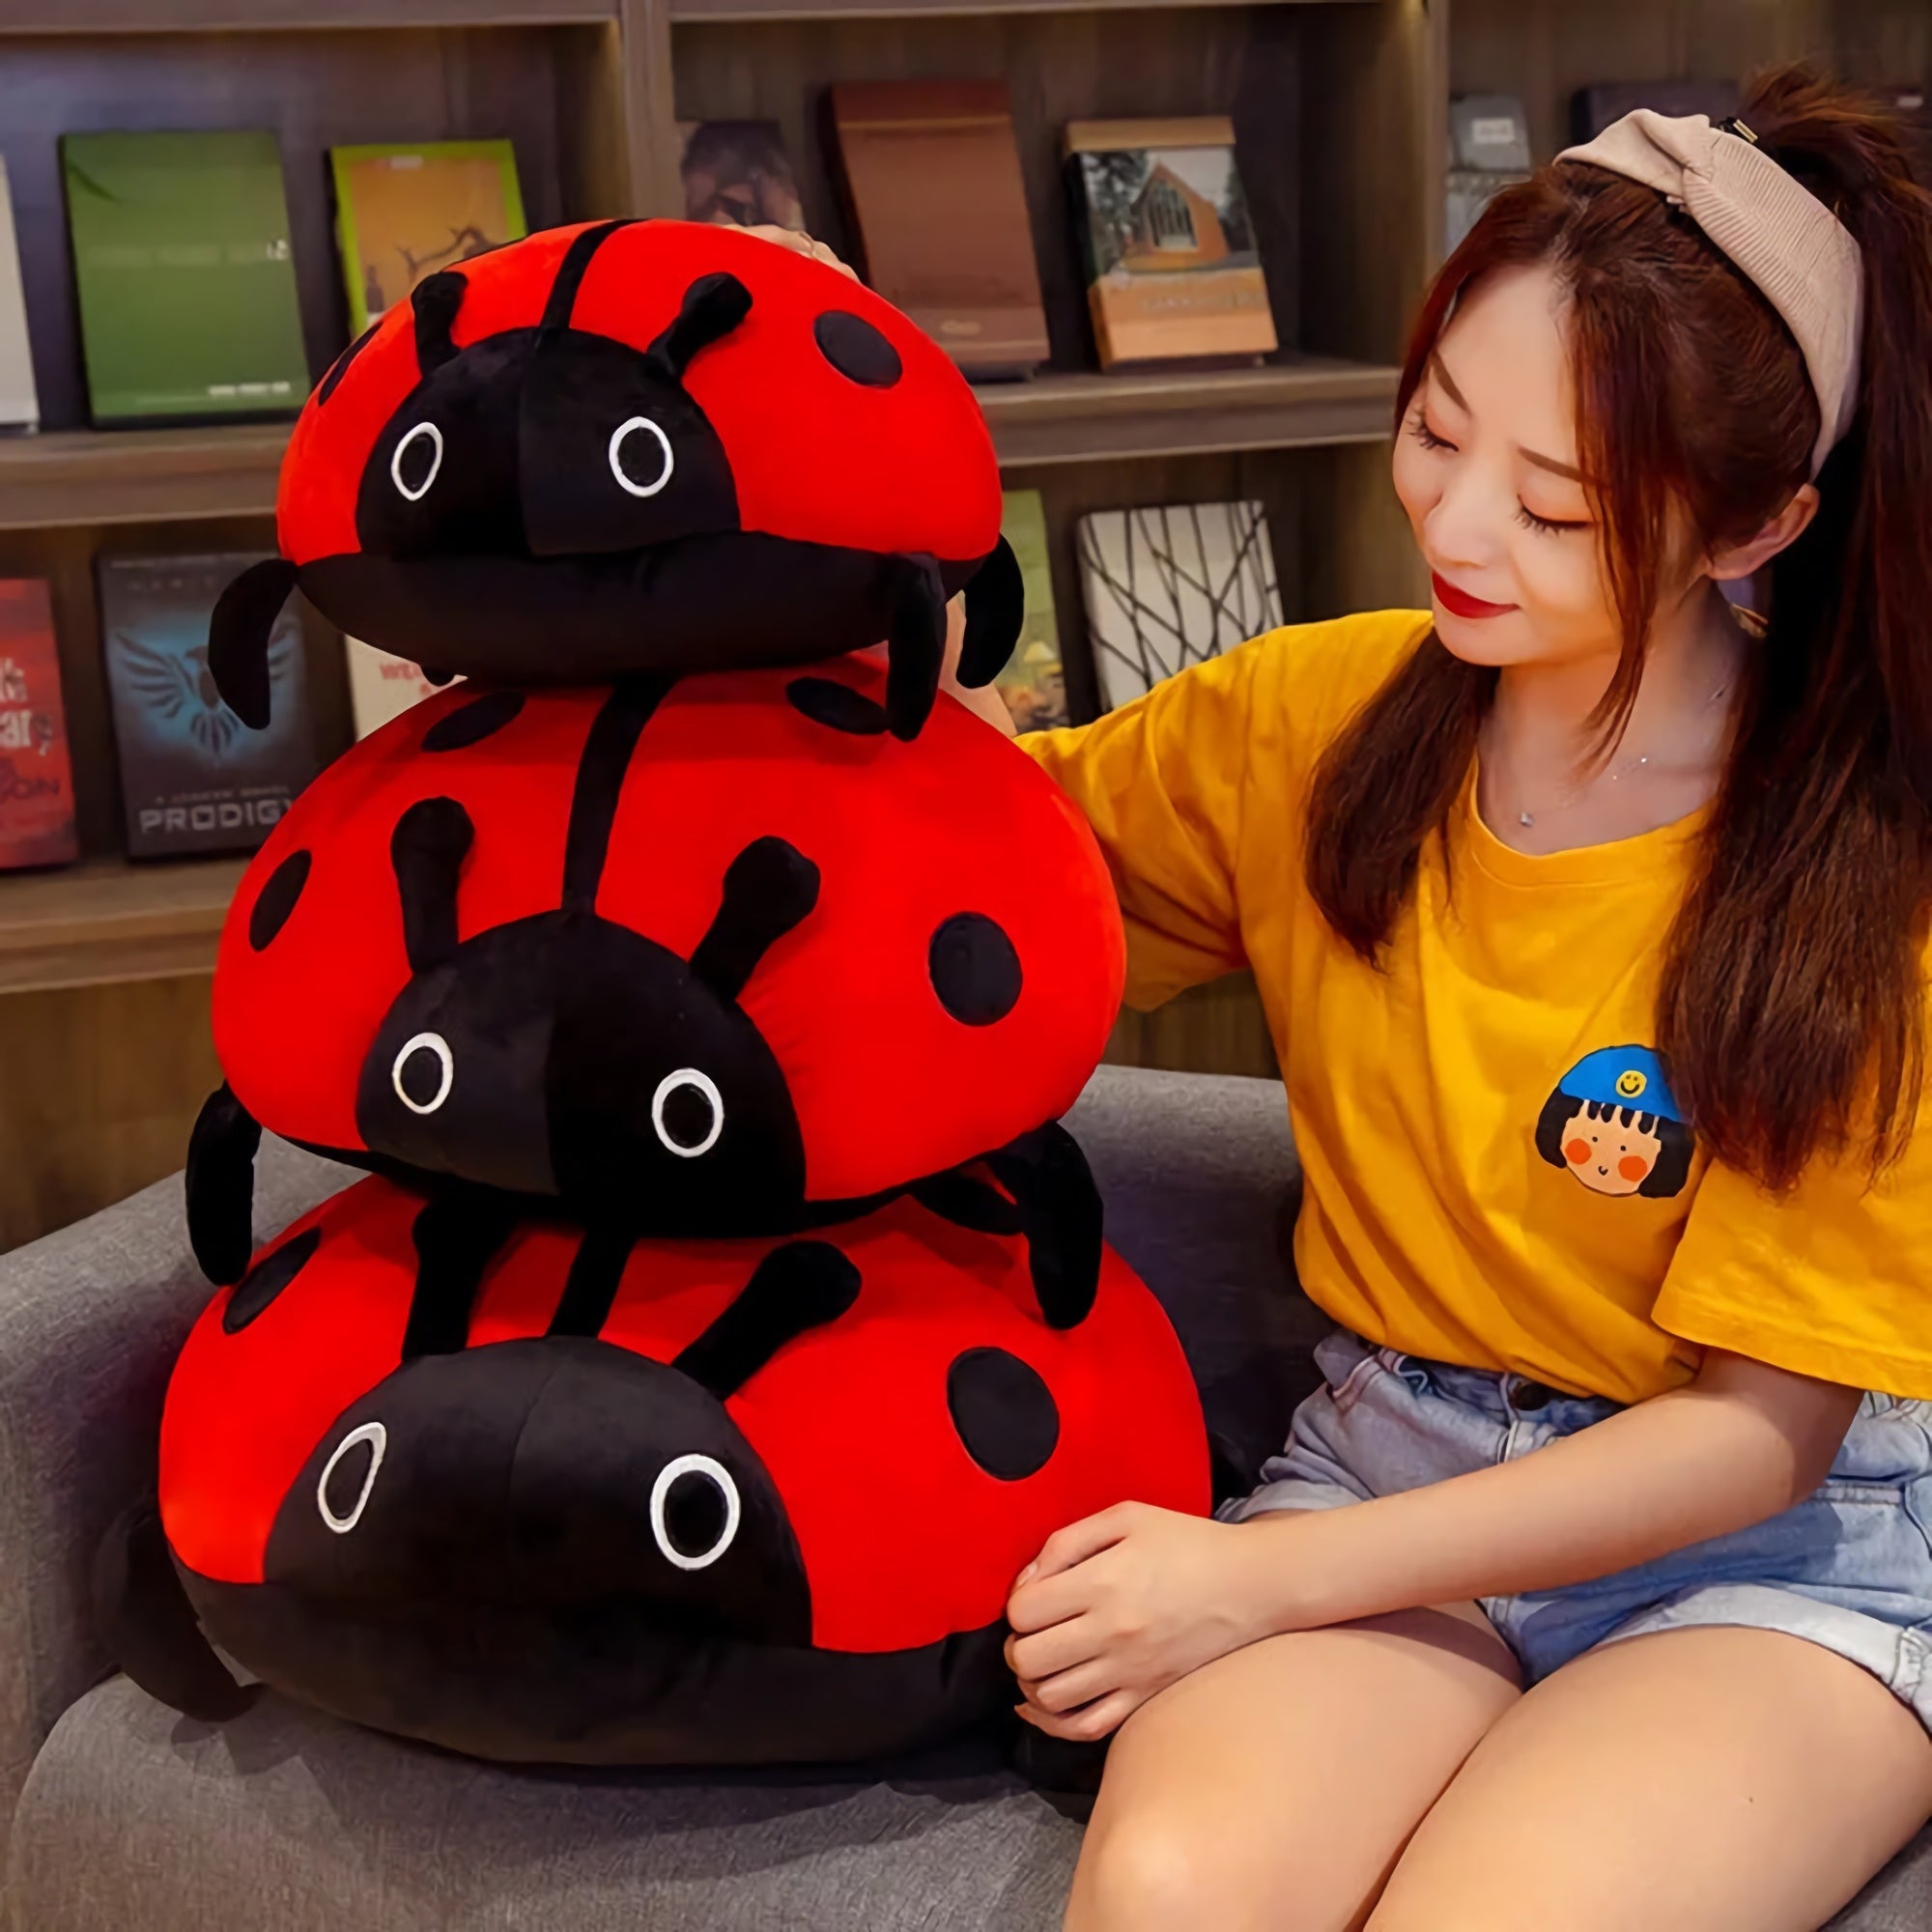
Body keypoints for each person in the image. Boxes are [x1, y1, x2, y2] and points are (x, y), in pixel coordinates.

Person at [757, 65, 1932, 1927]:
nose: (1456, 528)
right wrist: (802, 533)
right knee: (1169, 1894)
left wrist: (1249, 1584)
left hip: (1781, 1552)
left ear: (1756, 527)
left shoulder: (1866, 877)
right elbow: (963, 893)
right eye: (1437, 431)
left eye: (1555, 508)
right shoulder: (1310, 726)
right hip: (1391, 1453)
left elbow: (1756, 1433)